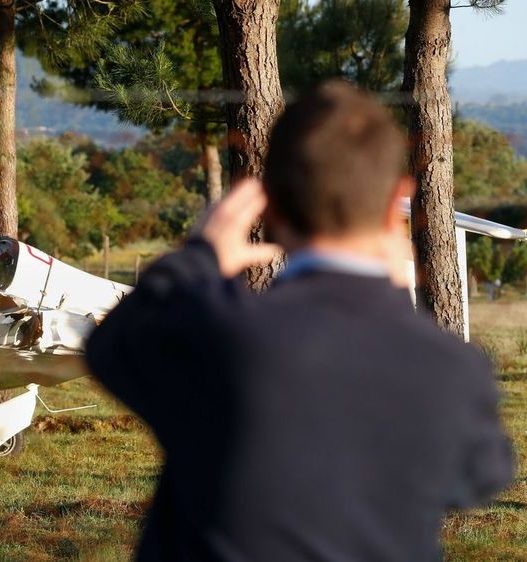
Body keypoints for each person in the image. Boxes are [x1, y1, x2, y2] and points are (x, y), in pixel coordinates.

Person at [86, 82, 514, 562]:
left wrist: (200, 256)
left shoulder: (219, 334)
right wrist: (391, 301)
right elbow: (481, 474)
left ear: (269, 204)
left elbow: (112, 346)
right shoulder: (453, 367)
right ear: (400, 197)